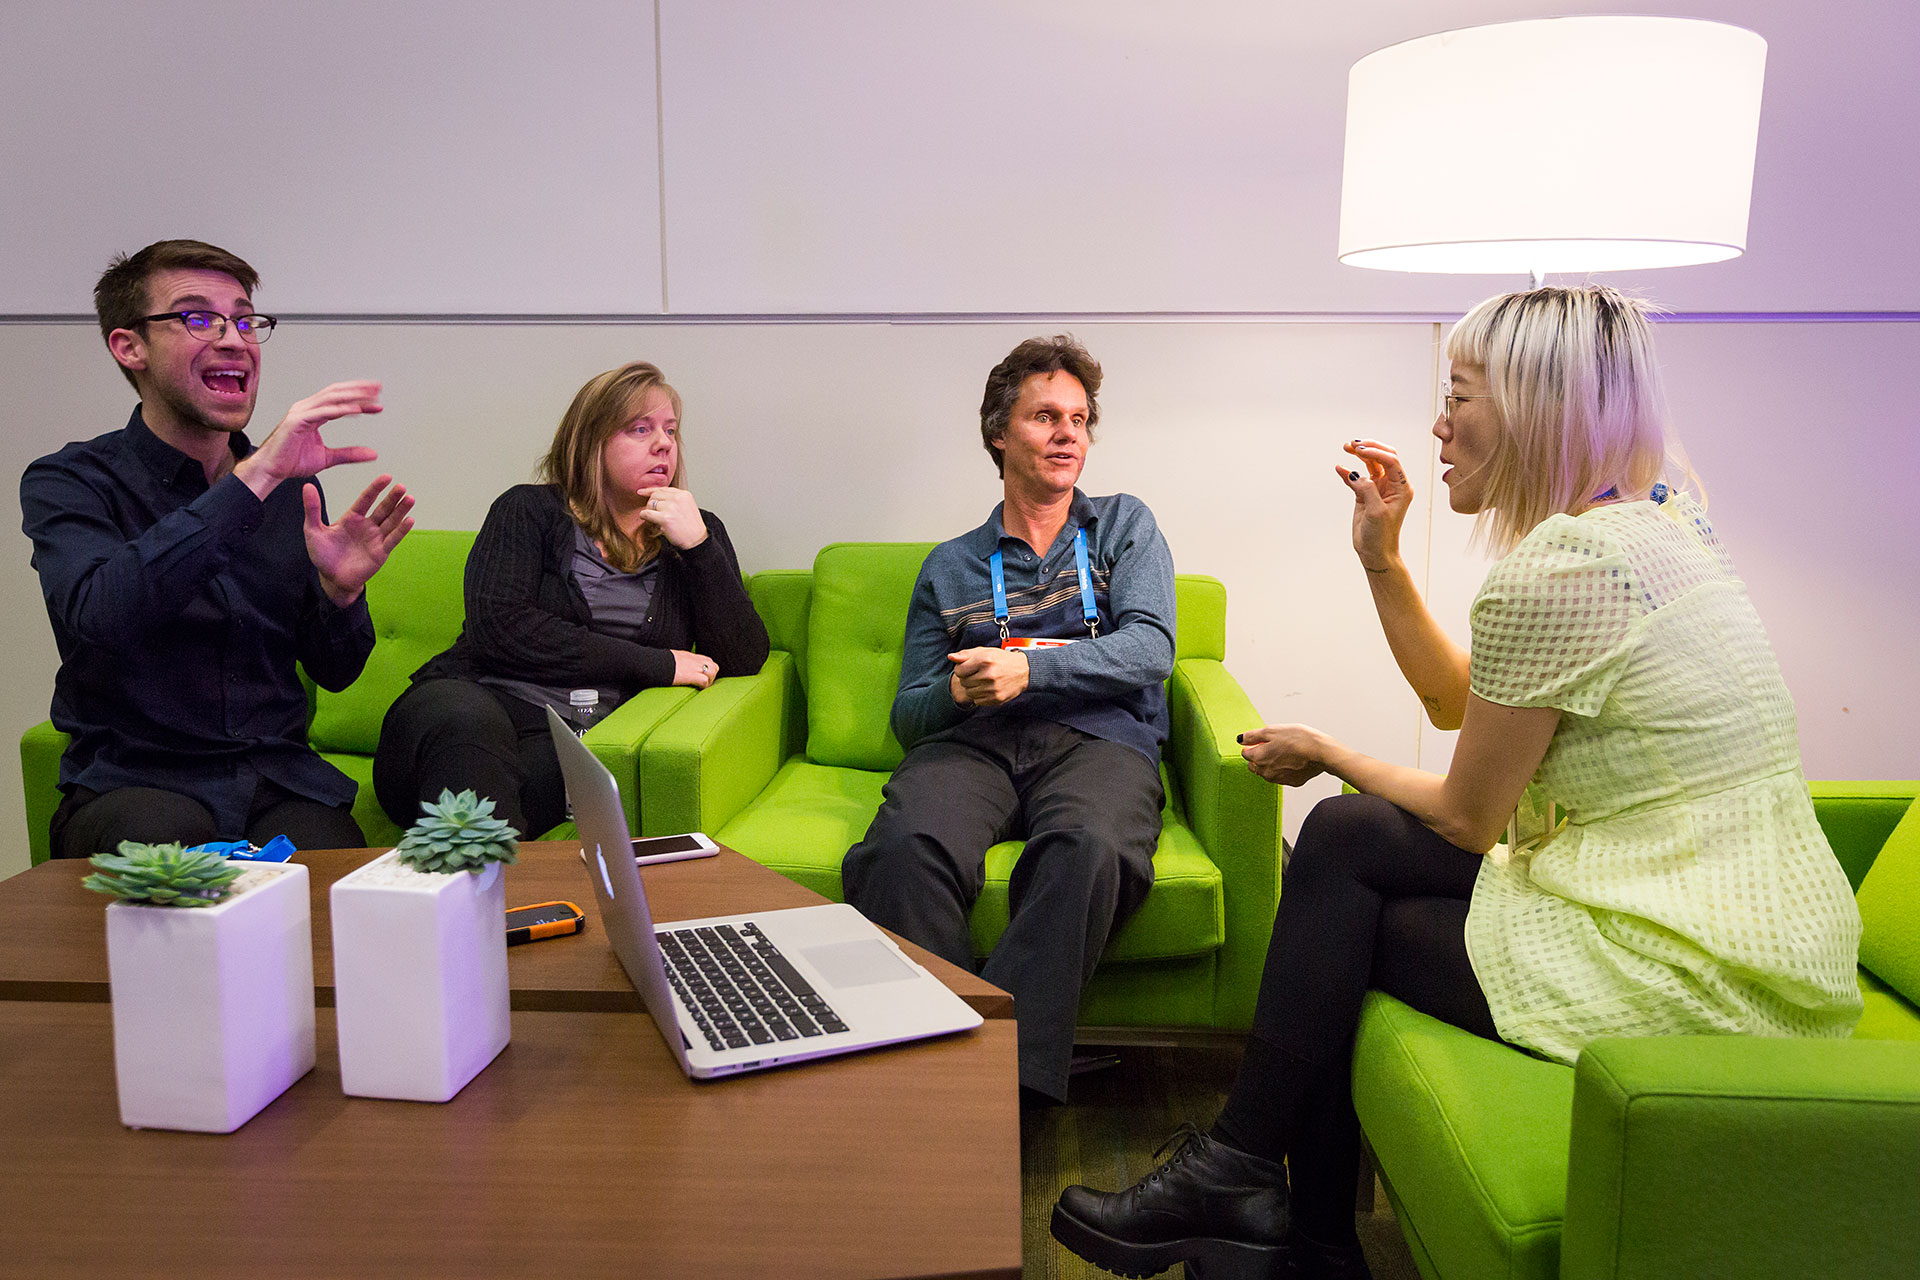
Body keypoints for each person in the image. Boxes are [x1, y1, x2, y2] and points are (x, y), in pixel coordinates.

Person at [1049, 286, 1864, 1280]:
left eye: (1462, 395)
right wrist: (1382, 557)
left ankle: (1272, 1207)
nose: (1439, 422)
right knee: (1347, 854)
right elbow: (1460, 703)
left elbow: (1472, 816)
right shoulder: (1659, 526)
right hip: (1751, 930)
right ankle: (1274, 1206)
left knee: (1345, 898)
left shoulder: (1566, 570)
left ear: (1531, 408)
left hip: (1690, 965)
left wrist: (1331, 748)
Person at [842, 335, 1177, 1104]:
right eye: (1046, 416)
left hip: (1100, 740)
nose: (1069, 434)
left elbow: (1150, 649)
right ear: (1000, 433)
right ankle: (945, 1067)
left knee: (1090, 846)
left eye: (1081, 419)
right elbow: (909, 716)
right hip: (976, 747)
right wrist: (957, 695)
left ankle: (990, 1094)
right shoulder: (950, 566)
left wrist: (1032, 667)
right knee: (901, 847)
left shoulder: (1124, 527)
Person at [21, 240, 414, 860]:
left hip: (275, 780)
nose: (234, 338)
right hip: (135, 781)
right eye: (198, 317)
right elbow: (102, 612)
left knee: (336, 886)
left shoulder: (291, 490)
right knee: (175, 866)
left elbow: (335, 673)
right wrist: (252, 481)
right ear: (130, 347)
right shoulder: (71, 481)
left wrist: (341, 595)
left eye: (244, 319)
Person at [372, 360, 769, 839]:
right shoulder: (527, 511)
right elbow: (501, 629)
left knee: (526, 787)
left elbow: (743, 658)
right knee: (467, 728)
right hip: (465, 704)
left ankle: (482, 899)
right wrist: (659, 664)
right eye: (639, 429)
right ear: (590, 443)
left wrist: (700, 548)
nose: (663, 443)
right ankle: (489, 898)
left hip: (563, 738)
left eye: (670, 430)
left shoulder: (695, 532)